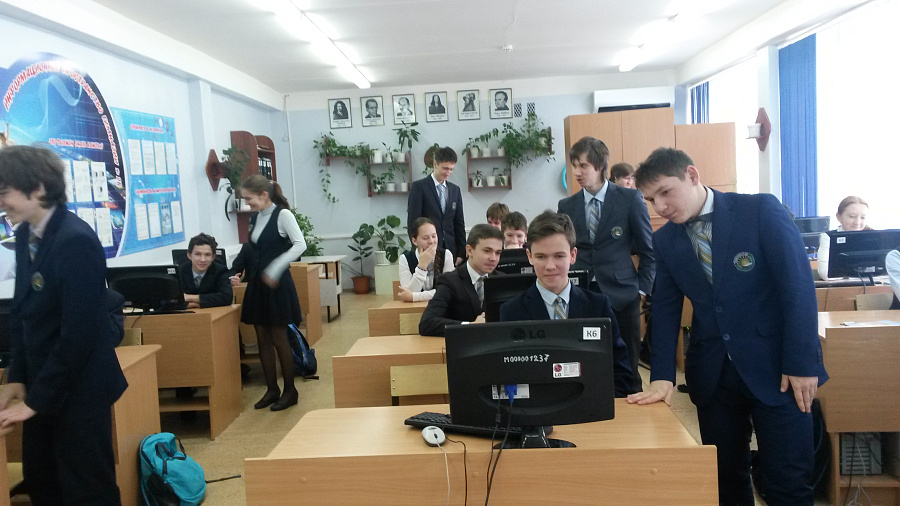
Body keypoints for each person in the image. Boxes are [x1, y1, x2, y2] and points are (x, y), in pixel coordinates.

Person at [627, 147, 828, 505]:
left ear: (692, 175)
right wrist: (662, 376)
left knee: (788, 484)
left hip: (779, 371)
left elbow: (797, 288)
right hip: (714, 375)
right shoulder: (665, 240)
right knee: (726, 483)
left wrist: (802, 363)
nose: (660, 207)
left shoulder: (760, 211)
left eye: (666, 192)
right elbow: (666, 309)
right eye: (651, 199)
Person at [0, 145, 127, 504]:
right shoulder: (25, 234)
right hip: (43, 385)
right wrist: (17, 377)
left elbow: (79, 335)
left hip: (79, 391)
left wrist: (37, 400)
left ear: (38, 188)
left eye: (5, 192)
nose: (1, 203)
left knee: (86, 490)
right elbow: (23, 312)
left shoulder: (75, 240)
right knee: (43, 484)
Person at [499, 211, 634, 397]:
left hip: (591, 404)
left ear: (573, 255)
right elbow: (508, 375)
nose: (550, 266)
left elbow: (621, 372)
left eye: (559, 256)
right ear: (529, 256)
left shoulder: (598, 306)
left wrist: (602, 402)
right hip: (537, 407)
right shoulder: (511, 311)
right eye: (541, 257)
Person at [558, 137, 654, 394]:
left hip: (623, 294)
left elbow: (648, 250)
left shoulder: (629, 199)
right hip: (582, 293)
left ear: (600, 166)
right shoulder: (566, 206)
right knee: (586, 361)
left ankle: (631, 406)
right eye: (574, 166)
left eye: (583, 166)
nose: (577, 172)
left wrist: (642, 290)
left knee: (628, 365)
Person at [229, 175, 307, 411]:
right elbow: (253, 248)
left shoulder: (283, 215)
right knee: (261, 337)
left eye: (249, 199)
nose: (247, 203)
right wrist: (238, 271)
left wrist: (275, 267)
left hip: (277, 284)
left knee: (279, 338)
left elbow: (300, 244)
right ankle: (272, 389)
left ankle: (290, 390)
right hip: (257, 285)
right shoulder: (255, 217)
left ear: (264, 195)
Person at [418, 224, 503, 336]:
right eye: (487, 251)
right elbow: (427, 323)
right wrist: (470, 326)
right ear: (469, 250)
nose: (493, 258)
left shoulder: (503, 280)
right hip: (464, 344)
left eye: (498, 253)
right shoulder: (450, 281)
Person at [407, 146, 466, 264]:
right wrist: (418, 250)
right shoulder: (419, 187)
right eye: (445, 168)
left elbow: (459, 223)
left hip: (451, 250)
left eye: (451, 169)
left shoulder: (455, 190)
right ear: (435, 164)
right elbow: (413, 222)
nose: (448, 172)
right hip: (427, 249)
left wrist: (461, 252)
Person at [397, 217, 455, 302]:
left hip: (442, 306)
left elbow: (447, 291)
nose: (431, 241)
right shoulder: (405, 259)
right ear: (414, 241)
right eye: (425, 238)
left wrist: (415, 297)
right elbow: (407, 292)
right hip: (414, 308)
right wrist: (422, 265)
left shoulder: (446, 255)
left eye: (434, 236)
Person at [816, 195, 870, 280]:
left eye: (863, 217)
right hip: (840, 287)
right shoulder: (828, 237)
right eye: (852, 216)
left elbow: (884, 272)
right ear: (839, 217)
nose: (857, 222)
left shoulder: (872, 237)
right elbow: (825, 273)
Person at [179, 233, 233, 308]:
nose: (203, 260)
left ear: (213, 257)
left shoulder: (221, 271)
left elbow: (226, 297)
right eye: (198, 254)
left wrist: (191, 298)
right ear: (189, 255)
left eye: (207, 255)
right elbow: (170, 300)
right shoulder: (180, 271)